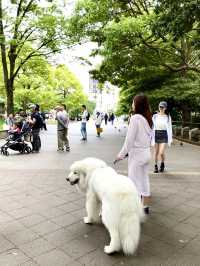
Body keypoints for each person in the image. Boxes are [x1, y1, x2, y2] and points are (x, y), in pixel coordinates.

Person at [115, 94, 153, 214]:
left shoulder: (135, 118)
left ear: (137, 104)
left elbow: (129, 141)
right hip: (146, 153)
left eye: (133, 102)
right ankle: (145, 206)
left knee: (133, 182)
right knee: (144, 179)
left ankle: (133, 209)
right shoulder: (148, 118)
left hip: (137, 154)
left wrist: (120, 155)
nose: (132, 104)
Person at [152, 101, 172, 173]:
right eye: (160, 107)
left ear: (165, 108)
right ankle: (155, 166)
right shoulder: (155, 116)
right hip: (156, 134)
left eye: (162, 107)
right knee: (156, 152)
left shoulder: (168, 117)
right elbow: (152, 127)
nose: (161, 108)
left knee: (161, 152)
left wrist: (170, 139)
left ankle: (162, 163)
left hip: (164, 135)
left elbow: (170, 128)